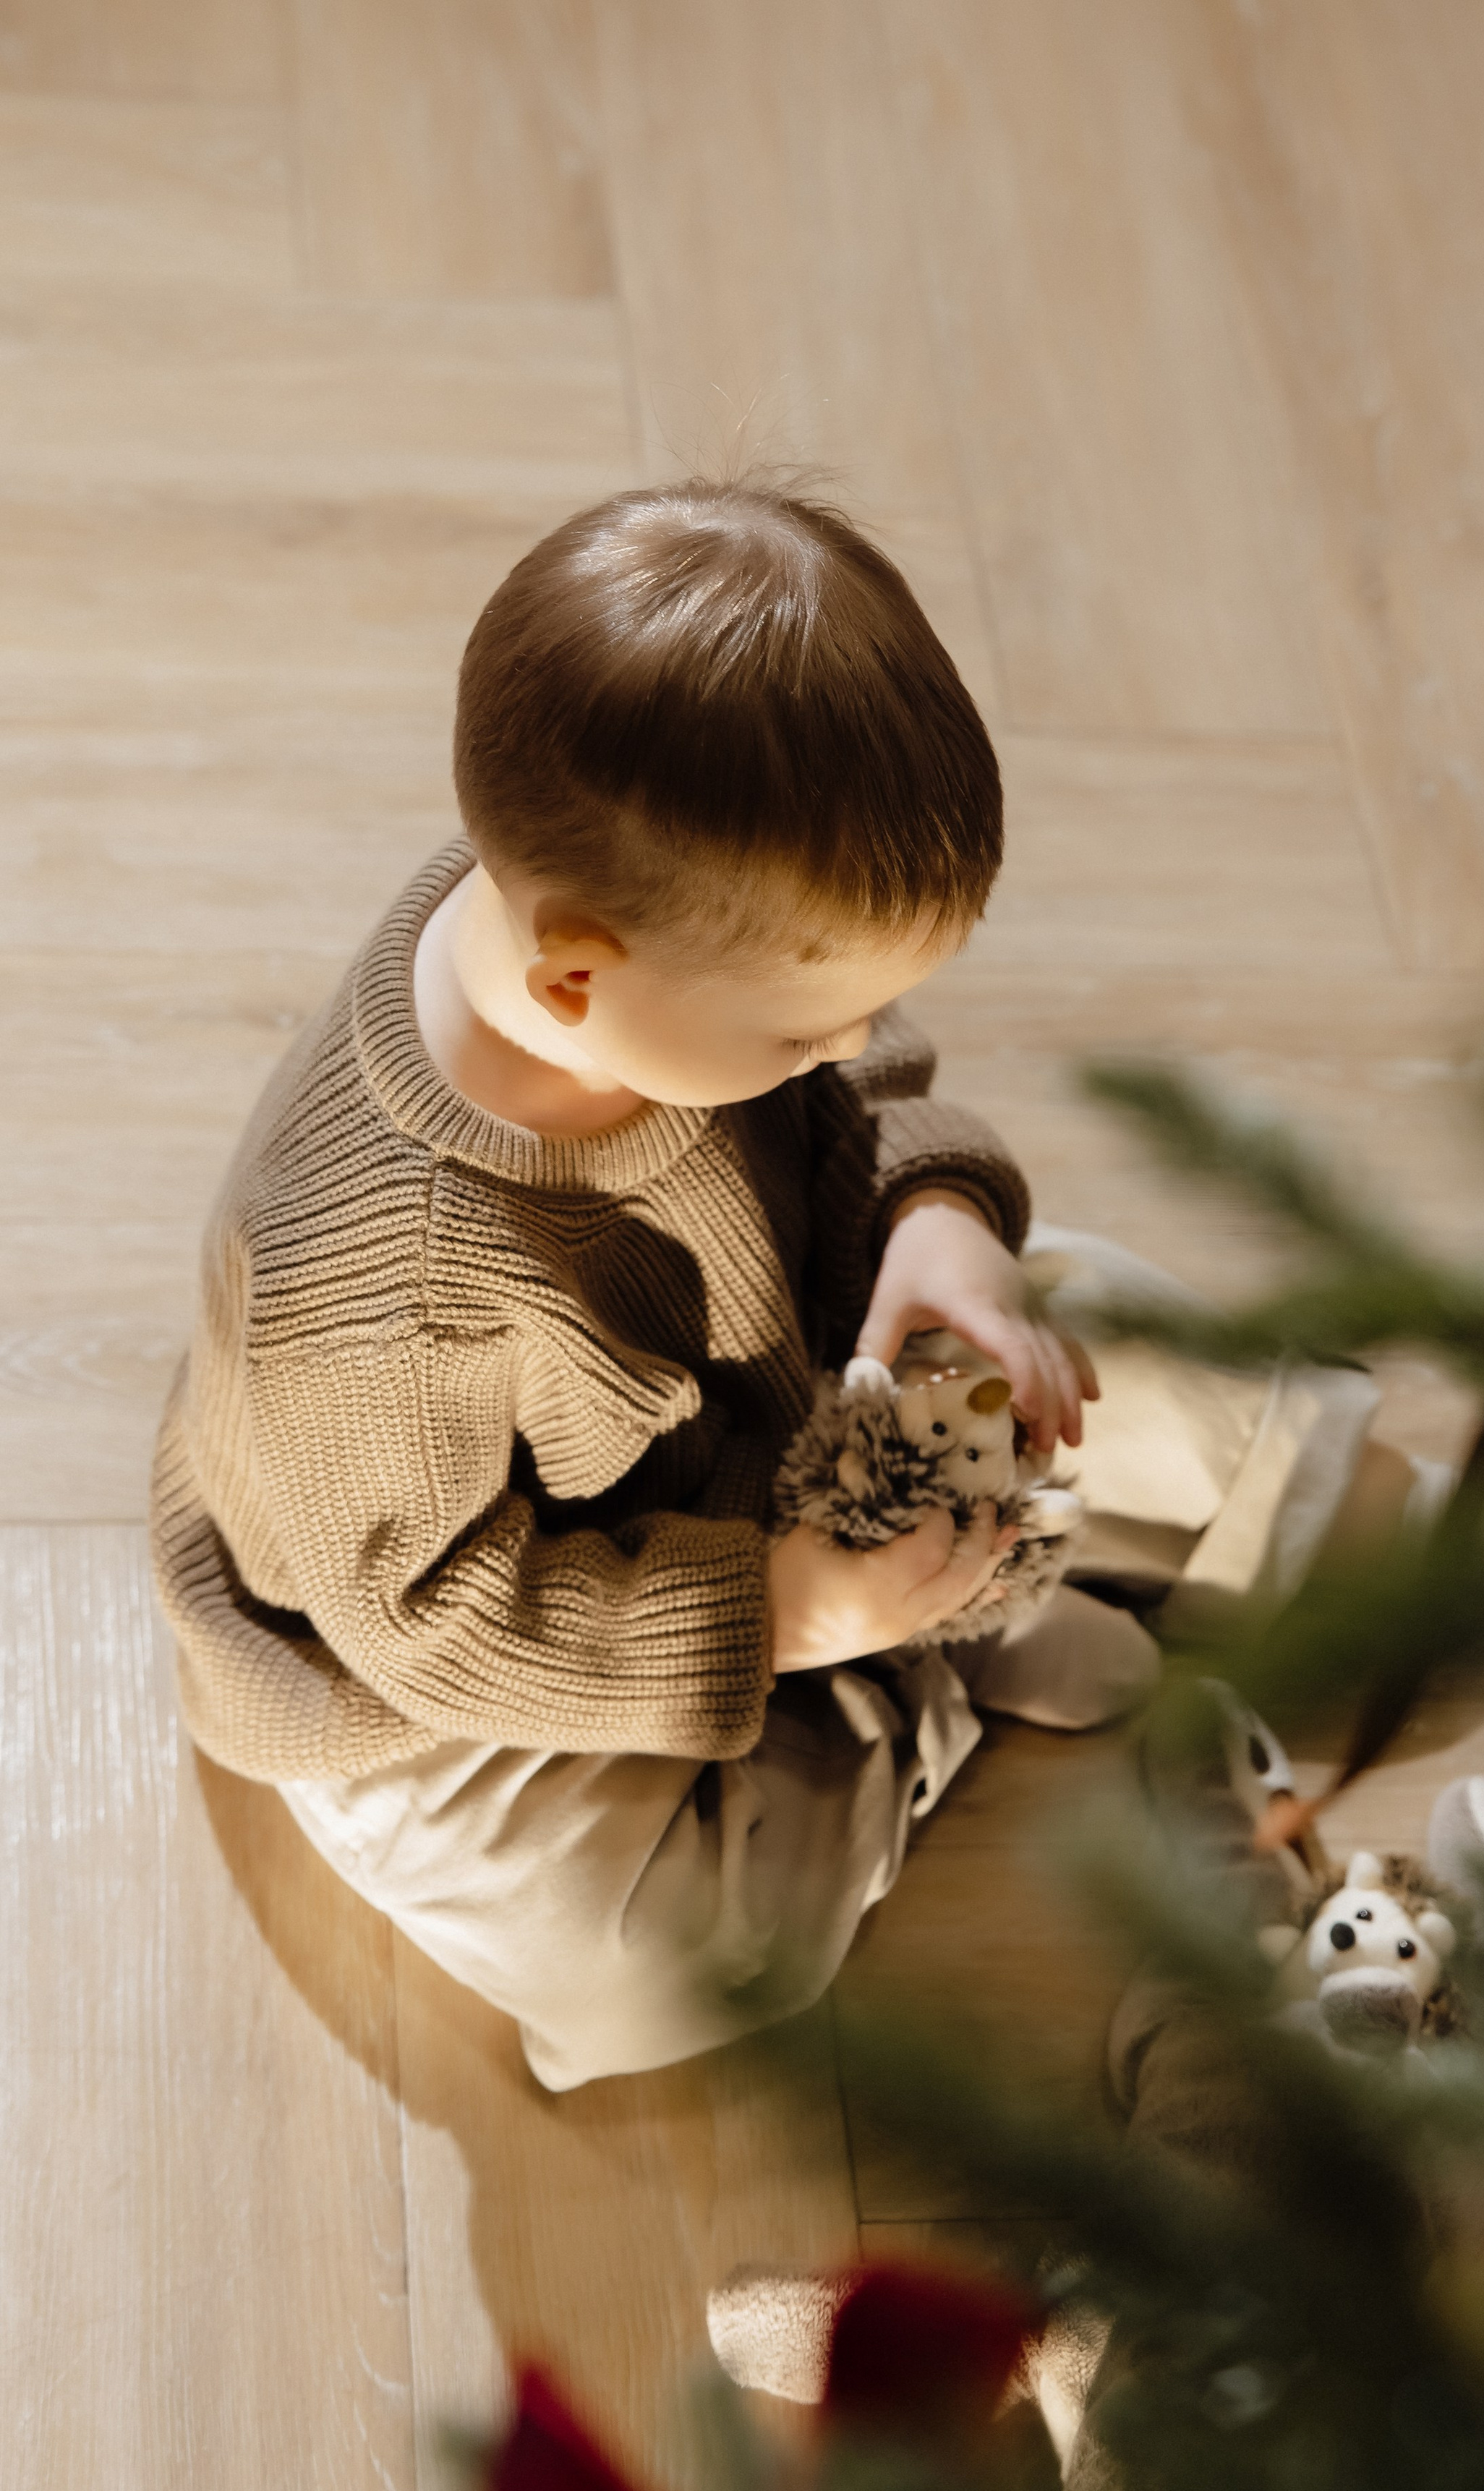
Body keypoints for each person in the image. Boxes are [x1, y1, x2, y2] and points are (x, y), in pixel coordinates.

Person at [152, 480, 1407, 2087]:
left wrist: (936, 1209)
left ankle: (990, 1591)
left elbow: (858, 1085)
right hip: (467, 1641)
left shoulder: (635, 934)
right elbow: (438, 1629)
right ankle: (904, 1685)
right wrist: (782, 1616)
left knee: (1101, 1347)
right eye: (808, 1029)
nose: (846, 1045)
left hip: (755, 1385)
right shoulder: (365, 1302)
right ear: (574, 976)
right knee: (652, 1961)